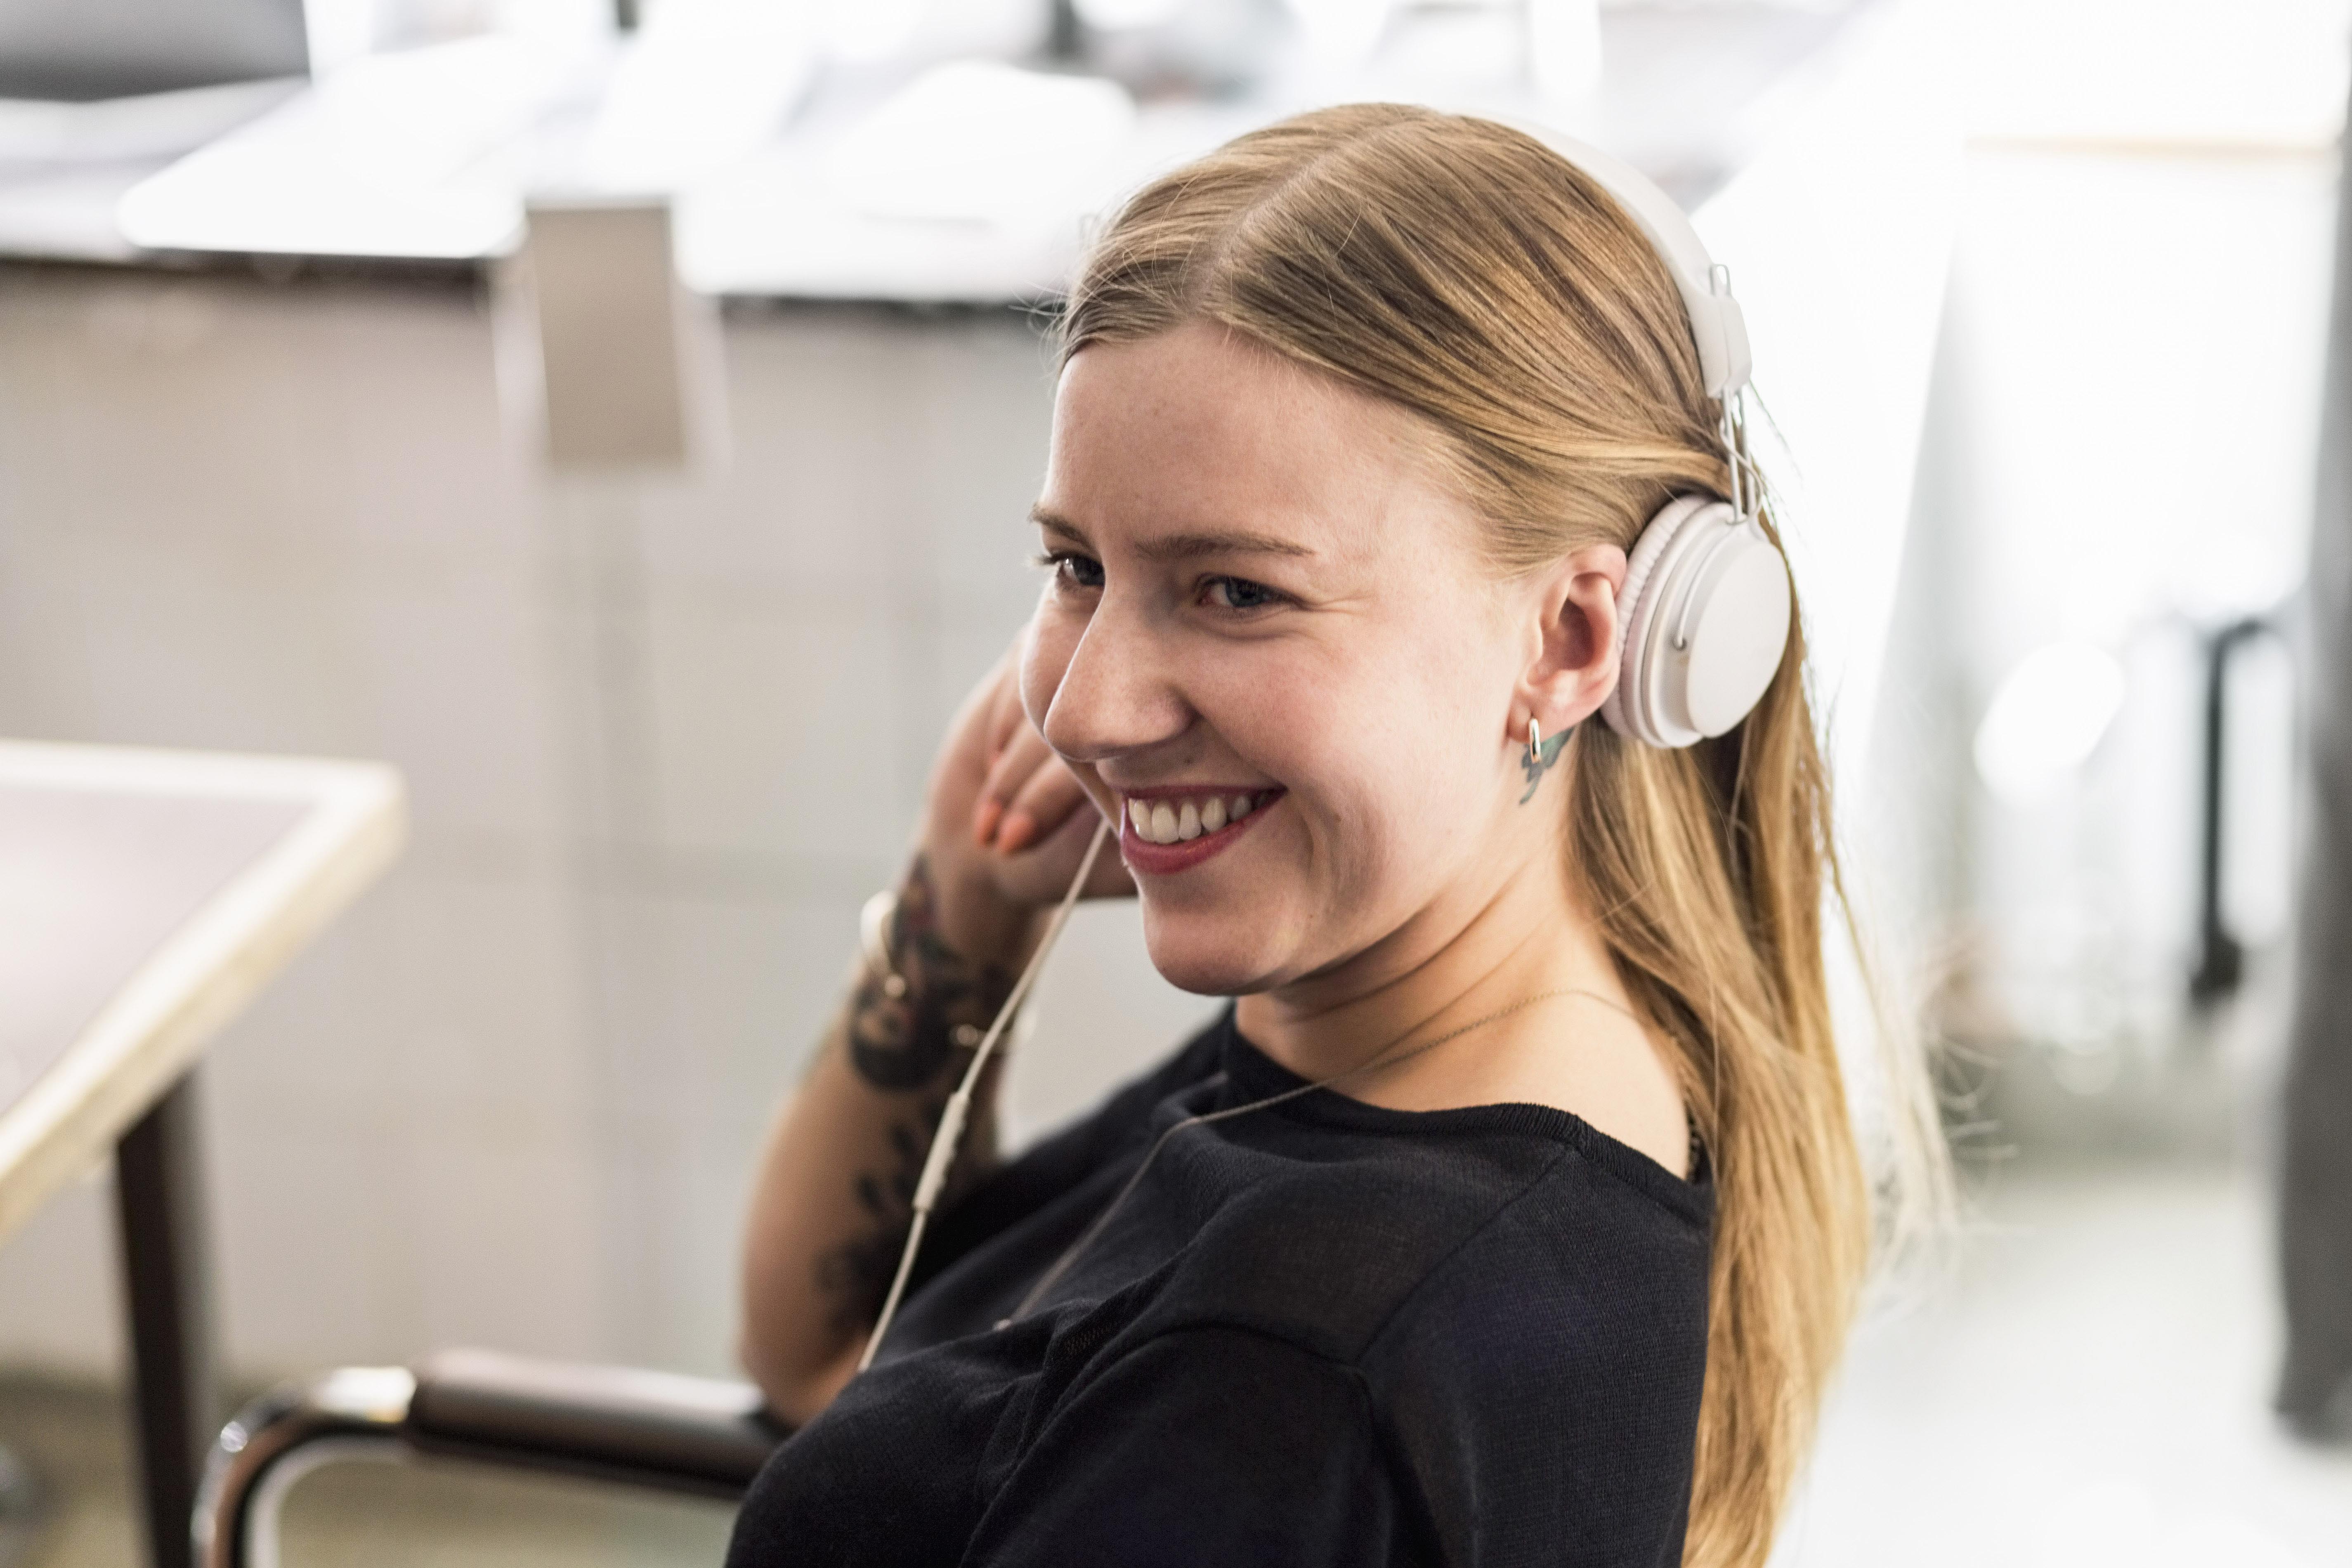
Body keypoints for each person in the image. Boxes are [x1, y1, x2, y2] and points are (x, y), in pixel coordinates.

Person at [730, 103, 1915, 1567]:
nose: (1087, 710)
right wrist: (965, 902)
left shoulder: (1288, 1380)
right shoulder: (1381, 1045)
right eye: (1075, 566)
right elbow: (825, 1354)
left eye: (1233, 591)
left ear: (1569, 638)